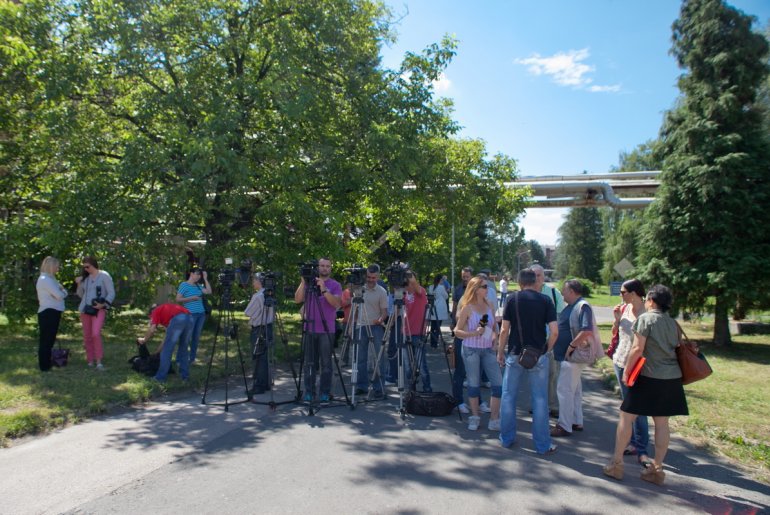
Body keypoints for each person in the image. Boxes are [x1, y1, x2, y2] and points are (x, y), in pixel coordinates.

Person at [603, 285, 688, 486]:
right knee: (661, 423)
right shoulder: (673, 323)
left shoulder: (645, 319)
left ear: (650, 300)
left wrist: (627, 371)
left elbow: (637, 348)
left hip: (648, 376)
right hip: (671, 378)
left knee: (626, 416)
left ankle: (616, 465)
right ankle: (657, 469)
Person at [497, 269, 558, 454]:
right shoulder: (546, 300)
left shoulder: (512, 300)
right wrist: (546, 349)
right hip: (537, 354)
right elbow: (555, 331)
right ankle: (542, 445)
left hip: (515, 353)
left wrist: (500, 351)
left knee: (508, 396)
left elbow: (504, 330)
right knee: (540, 399)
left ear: (520, 282)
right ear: (535, 282)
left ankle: (506, 438)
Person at [453, 275, 502, 431]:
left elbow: (494, 327)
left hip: (488, 350)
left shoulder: (490, 305)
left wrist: (495, 340)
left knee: (498, 385)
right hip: (470, 349)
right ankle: (475, 417)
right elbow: (457, 331)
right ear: (476, 289)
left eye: (487, 286)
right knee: (473, 385)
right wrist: (474, 333)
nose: (488, 289)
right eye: (485, 287)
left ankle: (494, 419)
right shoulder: (467, 307)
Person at [611, 278, 651, 465]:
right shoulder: (625, 308)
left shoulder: (646, 313)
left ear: (634, 293)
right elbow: (617, 332)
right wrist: (617, 319)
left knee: (637, 406)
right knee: (628, 404)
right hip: (620, 360)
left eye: (623, 292)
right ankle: (633, 442)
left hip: (636, 365)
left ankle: (642, 446)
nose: (620, 295)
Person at [551, 279, 597, 438]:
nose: (562, 293)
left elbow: (586, 330)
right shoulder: (573, 306)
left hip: (572, 357)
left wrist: (571, 346)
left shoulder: (582, 306)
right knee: (575, 390)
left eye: (564, 290)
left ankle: (564, 425)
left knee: (564, 390)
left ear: (571, 291)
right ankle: (576, 420)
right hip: (569, 357)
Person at [294, 257, 342, 403]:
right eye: (322, 265)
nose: (325, 268)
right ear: (318, 267)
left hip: (327, 330)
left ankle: (324, 393)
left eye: (328, 266)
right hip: (310, 328)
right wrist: (303, 282)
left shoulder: (335, 285)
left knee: (326, 364)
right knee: (309, 363)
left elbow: (336, 304)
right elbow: (297, 299)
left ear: (331, 268)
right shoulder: (309, 283)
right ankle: (309, 391)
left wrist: (324, 289)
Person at [532, 264, 565, 419]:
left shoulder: (553, 292)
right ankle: (537, 404)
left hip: (550, 340)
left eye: (539, 275)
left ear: (543, 276)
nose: (537, 278)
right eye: (534, 275)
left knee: (552, 374)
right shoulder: (527, 292)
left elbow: (560, 316)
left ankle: (552, 405)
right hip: (532, 342)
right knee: (535, 375)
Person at [351, 264, 388, 398]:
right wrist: (352, 324)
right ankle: (362, 386)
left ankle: (379, 387)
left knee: (378, 358)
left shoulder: (382, 292)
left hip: (376, 327)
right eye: (368, 277)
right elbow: (355, 309)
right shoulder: (359, 289)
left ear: (377, 277)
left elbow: (384, 312)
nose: (371, 280)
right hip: (361, 325)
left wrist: (379, 320)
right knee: (360, 358)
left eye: (373, 277)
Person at [75, 256, 115, 370]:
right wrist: (78, 284)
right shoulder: (86, 278)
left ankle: (99, 361)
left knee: (95, 334)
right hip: (85, 309)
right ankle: (90, 360)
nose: (86, 269)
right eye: (84, 267)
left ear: (94, 265)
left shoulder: (104, 276)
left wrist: (104, 304)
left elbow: (111, 293)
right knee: (87, 336)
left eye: (88, 267)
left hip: (99, 309)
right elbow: (81, 295)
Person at [137, 303, 192, 383]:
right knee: (183, 349)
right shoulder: (167, 314)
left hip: (178, 319)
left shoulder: (155, 311)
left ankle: (160, 377)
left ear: (150, 314)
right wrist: (157, 352)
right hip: (190, 318)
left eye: (150, 318)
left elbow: (152, 330)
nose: (152, 320)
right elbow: (166, 339)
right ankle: (185, 376)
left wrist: (144, 339)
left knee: (166, 351)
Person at [245, 273, 275, 395]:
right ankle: (266, 383)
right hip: (269, 327)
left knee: (258, 357)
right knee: (265, 357)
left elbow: (248, 312)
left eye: (254, 280)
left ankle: (259, 385)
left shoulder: (258, 296)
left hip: (259, 328)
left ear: (259, 281)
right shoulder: (270, 294)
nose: (253, 283)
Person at [36, 256, 68, 372]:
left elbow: (59, 292)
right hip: (48, 312)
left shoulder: (51, 279)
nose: (58, 268)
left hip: (53, 311)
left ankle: (47, 363)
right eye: (56, 266)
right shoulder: (45, 279)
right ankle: (44, 366)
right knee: (46, 340)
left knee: (49, 339)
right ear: (50, 266)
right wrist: (64, 292)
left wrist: (62, 292)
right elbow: (60, 295)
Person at [403, 271, 432, 392]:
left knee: (421, 364)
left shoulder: (421, 291)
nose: (408, 280)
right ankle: (411, 388)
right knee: (408, 365)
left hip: (418, 332)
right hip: (405, 332)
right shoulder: (403, 293)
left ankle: (427, 388)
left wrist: (408, 273)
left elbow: (414, 284)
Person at [176, 267, 211, 364]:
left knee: (196, 338)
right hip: (190, 315)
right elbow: (178, 299)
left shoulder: (199, 285)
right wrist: (192, 298)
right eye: (197, 274)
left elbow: (209, 291)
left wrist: (205, 279)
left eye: (200, 275)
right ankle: (180, 359)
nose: (198, 276)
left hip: (201, 315)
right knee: (186, 338)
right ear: (191, 274)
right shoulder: (184, 285)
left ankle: (192, 359)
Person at [450, 267, 473, 413]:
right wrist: (455, 323)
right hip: (463, 337)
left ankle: (478, 402)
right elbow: (458, 315)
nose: (465, 279)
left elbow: (485, 318)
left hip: (477, 340)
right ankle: (458, 401)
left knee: (474, 373)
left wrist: (483, 329)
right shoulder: (462, 297)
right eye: (463, 276)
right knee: (461, 370)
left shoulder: (482, 300)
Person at [427, 274, 449, 348]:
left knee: (433, 327)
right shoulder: (441, 287)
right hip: (440, 309)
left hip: (433, 308)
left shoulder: (431, 287)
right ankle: (435, 343)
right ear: (440, 280)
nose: (443, 281)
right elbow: (446, 296)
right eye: (442, 280)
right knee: (437, 327)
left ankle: (432, 343)